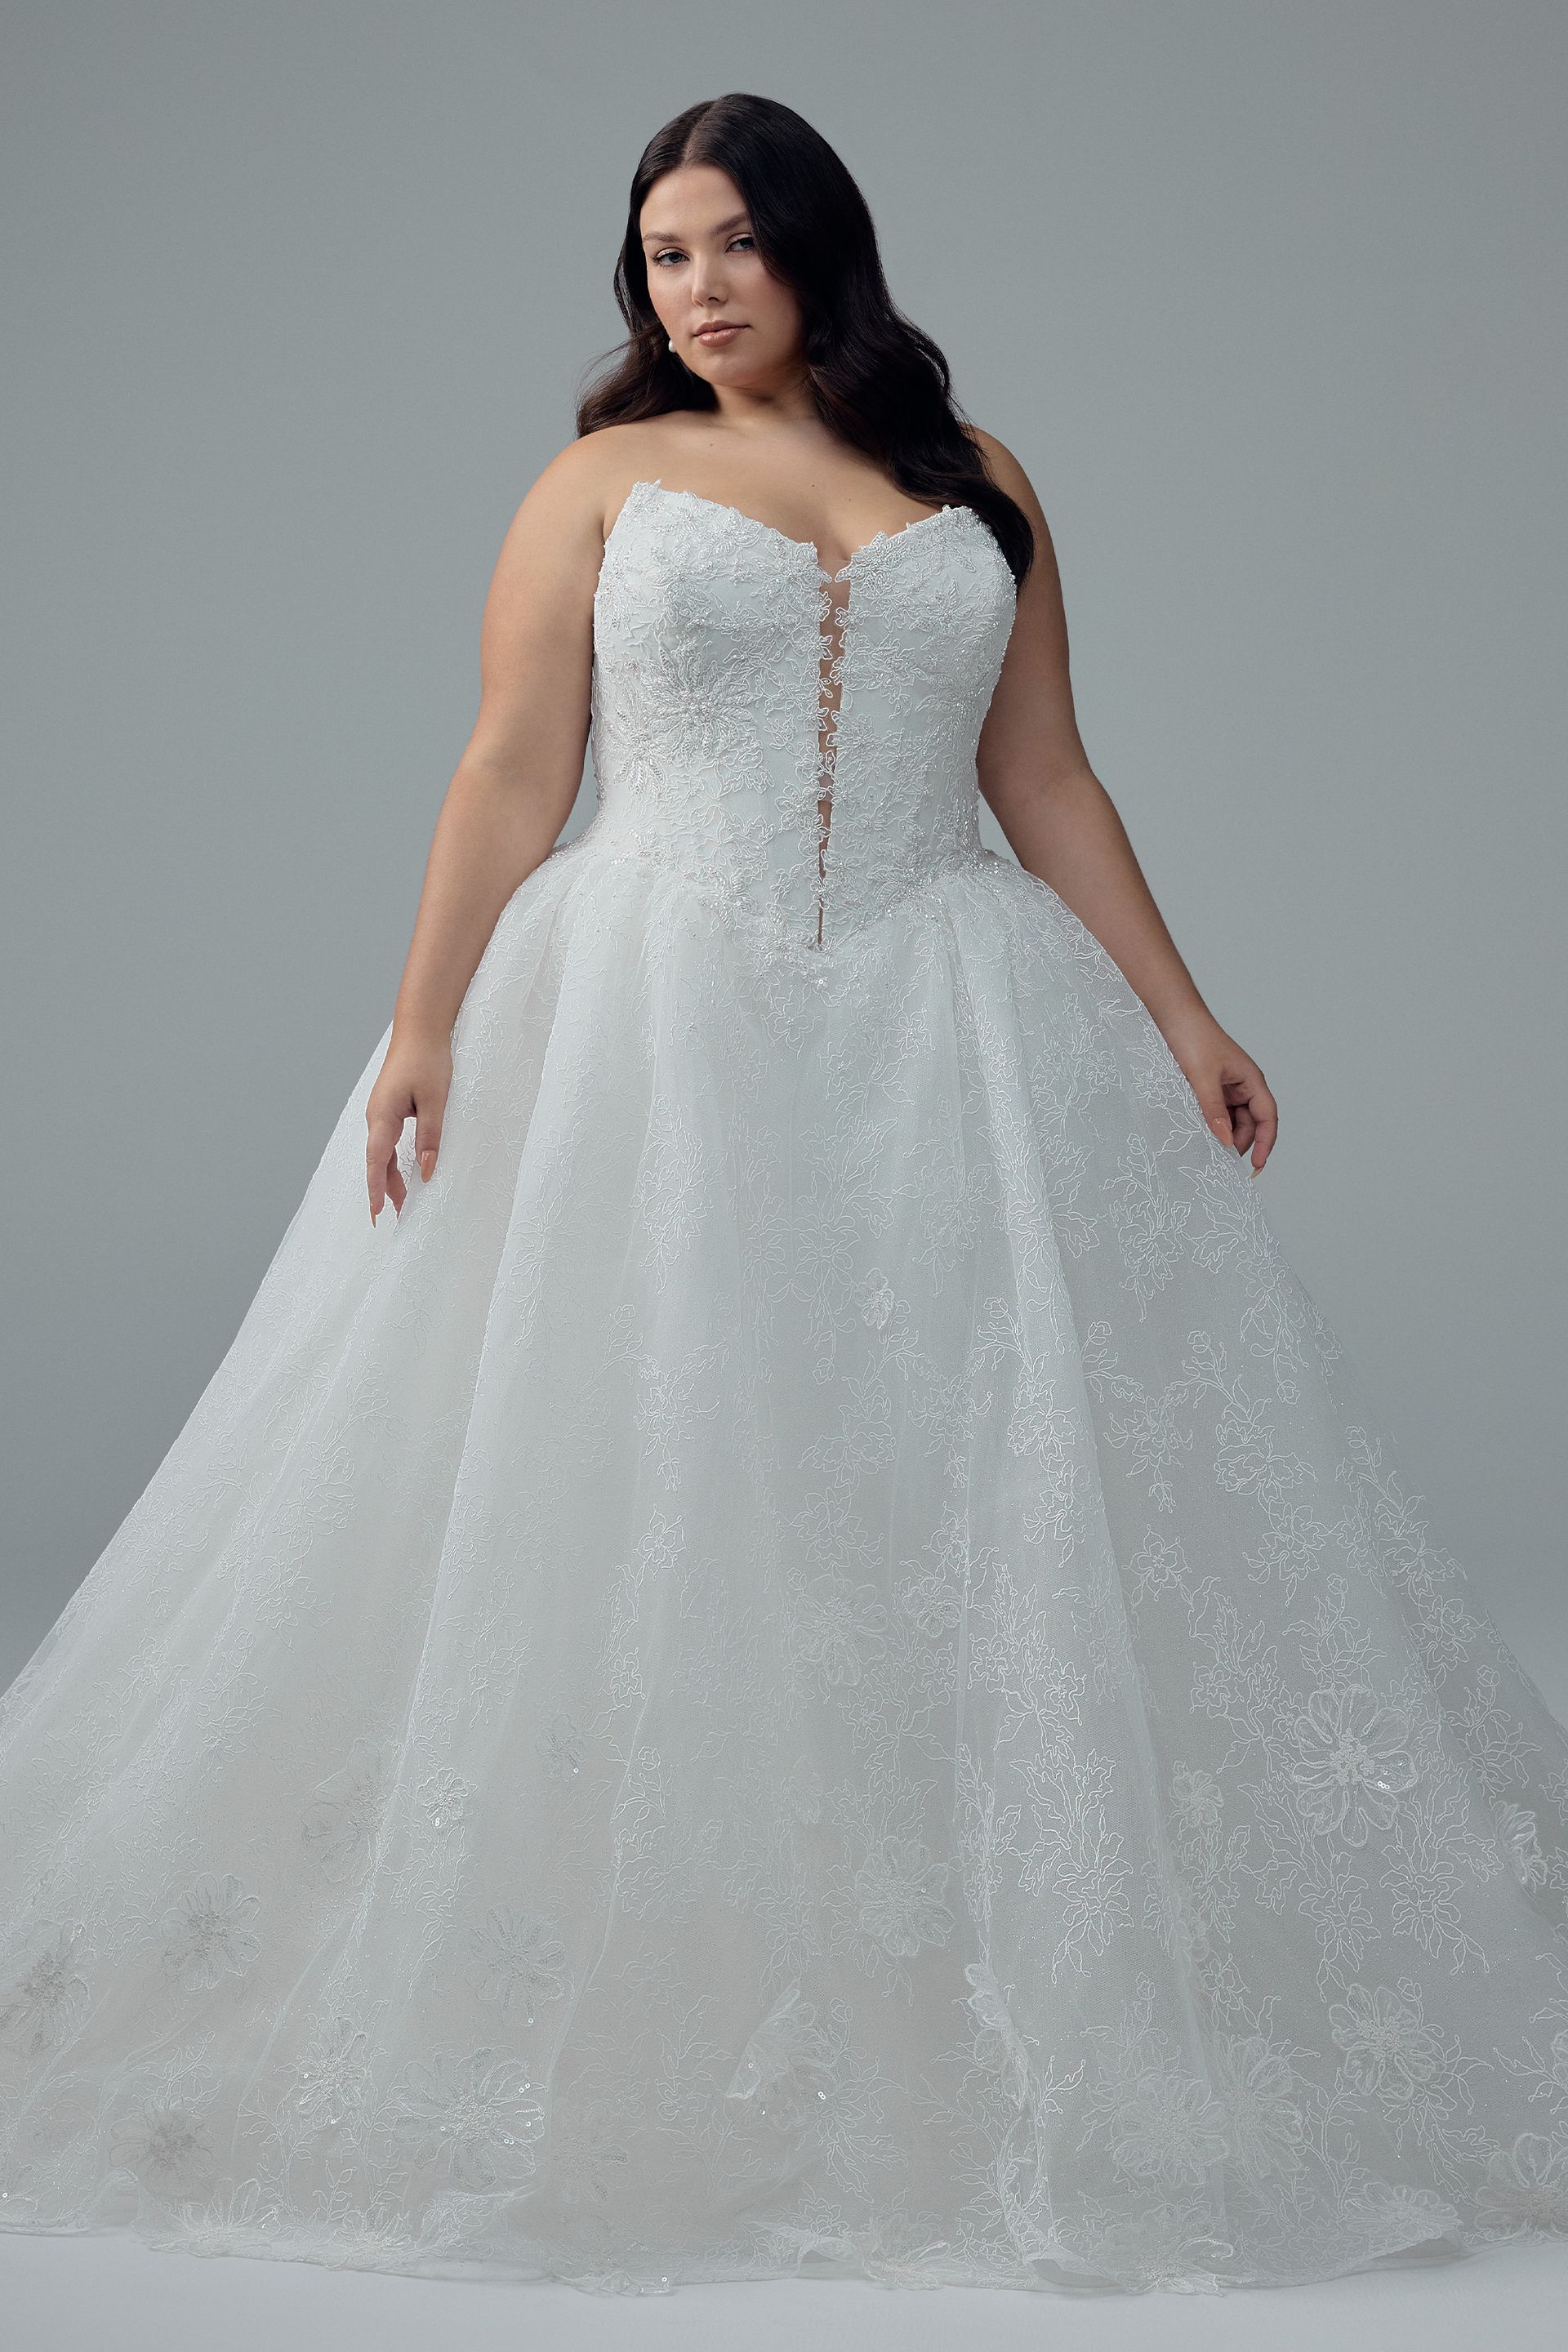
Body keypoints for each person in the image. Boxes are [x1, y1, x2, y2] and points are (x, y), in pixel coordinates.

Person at [2, 90, 1566, 2301]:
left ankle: (979, 1984)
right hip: (648, 1020)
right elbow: (510, 765)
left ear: (822, 248)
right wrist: (428, 1019)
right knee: (646, 1490)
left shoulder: (980, 484)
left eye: (733, 244)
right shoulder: (602, 486)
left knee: (948, 1497)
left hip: (957, 1024)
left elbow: (1041, 773)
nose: (698, 289)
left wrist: (1187, 1018)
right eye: (661, 257)